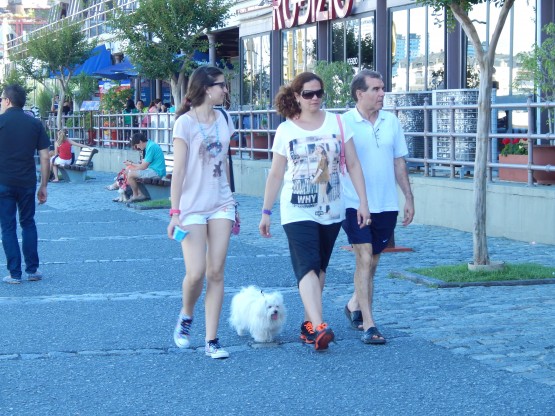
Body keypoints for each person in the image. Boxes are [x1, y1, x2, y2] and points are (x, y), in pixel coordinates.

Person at [258, 72, 370, 351]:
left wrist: (363, 202)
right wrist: (266, 211)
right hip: (296, 209)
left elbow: (354, 165)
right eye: (308, 94)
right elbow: (275, 174)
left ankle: (308, 326)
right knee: (306, 265)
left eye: (319, 92)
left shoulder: (338, 122)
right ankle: (320, 326)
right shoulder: (286, 130)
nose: (315, 98)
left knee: (320, 269)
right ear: (296, 96)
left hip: (331, 208)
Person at [341, 69, 415, 344]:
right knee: (363, 258)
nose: (383, 93)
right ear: (360, 94)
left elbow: (398, 162)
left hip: (386, 204)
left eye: (383, 88)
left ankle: (352, 305)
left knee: (372, 262)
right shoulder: (344, 123)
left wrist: (408, 197)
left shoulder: (391, 121)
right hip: (354, 203)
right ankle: (370, 324)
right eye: (376, 89)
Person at [167, 65, 235, 359]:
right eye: (221, 85)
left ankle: (212, 340)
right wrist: (174, 212)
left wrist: (233, 200)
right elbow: (178, 170)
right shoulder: (185, 123)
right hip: (191, 206)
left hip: (221, 203)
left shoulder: (225, 118)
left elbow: (226, 162)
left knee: (216, 272)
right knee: (195, 274)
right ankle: (186, 314)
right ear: (207, 88)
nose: (225, 90)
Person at [0, 84, 50, 284]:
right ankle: (32, 269)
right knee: (28, 223)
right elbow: (45, 157)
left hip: (3, 182)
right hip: (28, 182)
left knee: (8, 226)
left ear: (8, 101)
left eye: (2, 99)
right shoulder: (35, 124)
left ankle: (14, 273)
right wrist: (44, 185)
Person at [124, 132, 166, 202]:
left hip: (157, 172)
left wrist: (132, 170)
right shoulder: (149, 146)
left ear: (140, 142)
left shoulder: (151, 147)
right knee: (129, 172)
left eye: (136, 145)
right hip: (153, 170)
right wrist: (132, 167)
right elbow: (143, 165)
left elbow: (143, 167)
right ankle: (140, 194)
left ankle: (136, 195)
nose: (137, 148)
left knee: (130, 174)